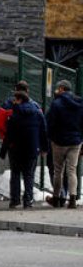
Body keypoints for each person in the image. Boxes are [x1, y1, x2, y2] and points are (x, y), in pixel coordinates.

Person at [3, 90, 48, 209]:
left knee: (15, 174)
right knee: (29, 175)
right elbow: (43, 131)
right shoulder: (38, 113)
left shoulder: (14, 116)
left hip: (16, 150)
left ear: (20, 100)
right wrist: (44, 148)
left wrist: (4, 150)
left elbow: (9, 135)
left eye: (15, 100)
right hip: (32, 149)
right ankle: (28, 201)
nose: (14, 102)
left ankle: (15, 200)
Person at [47, 79, 83, 210]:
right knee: (72, 170)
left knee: (58, 170)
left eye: (58, 88)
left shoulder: (56, 104)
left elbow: (50, 123)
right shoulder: (80, 102)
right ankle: (72, 199)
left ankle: (56, 197)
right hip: (76, 141)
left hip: (59, 141)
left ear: (62, 89)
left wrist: (51, 137)